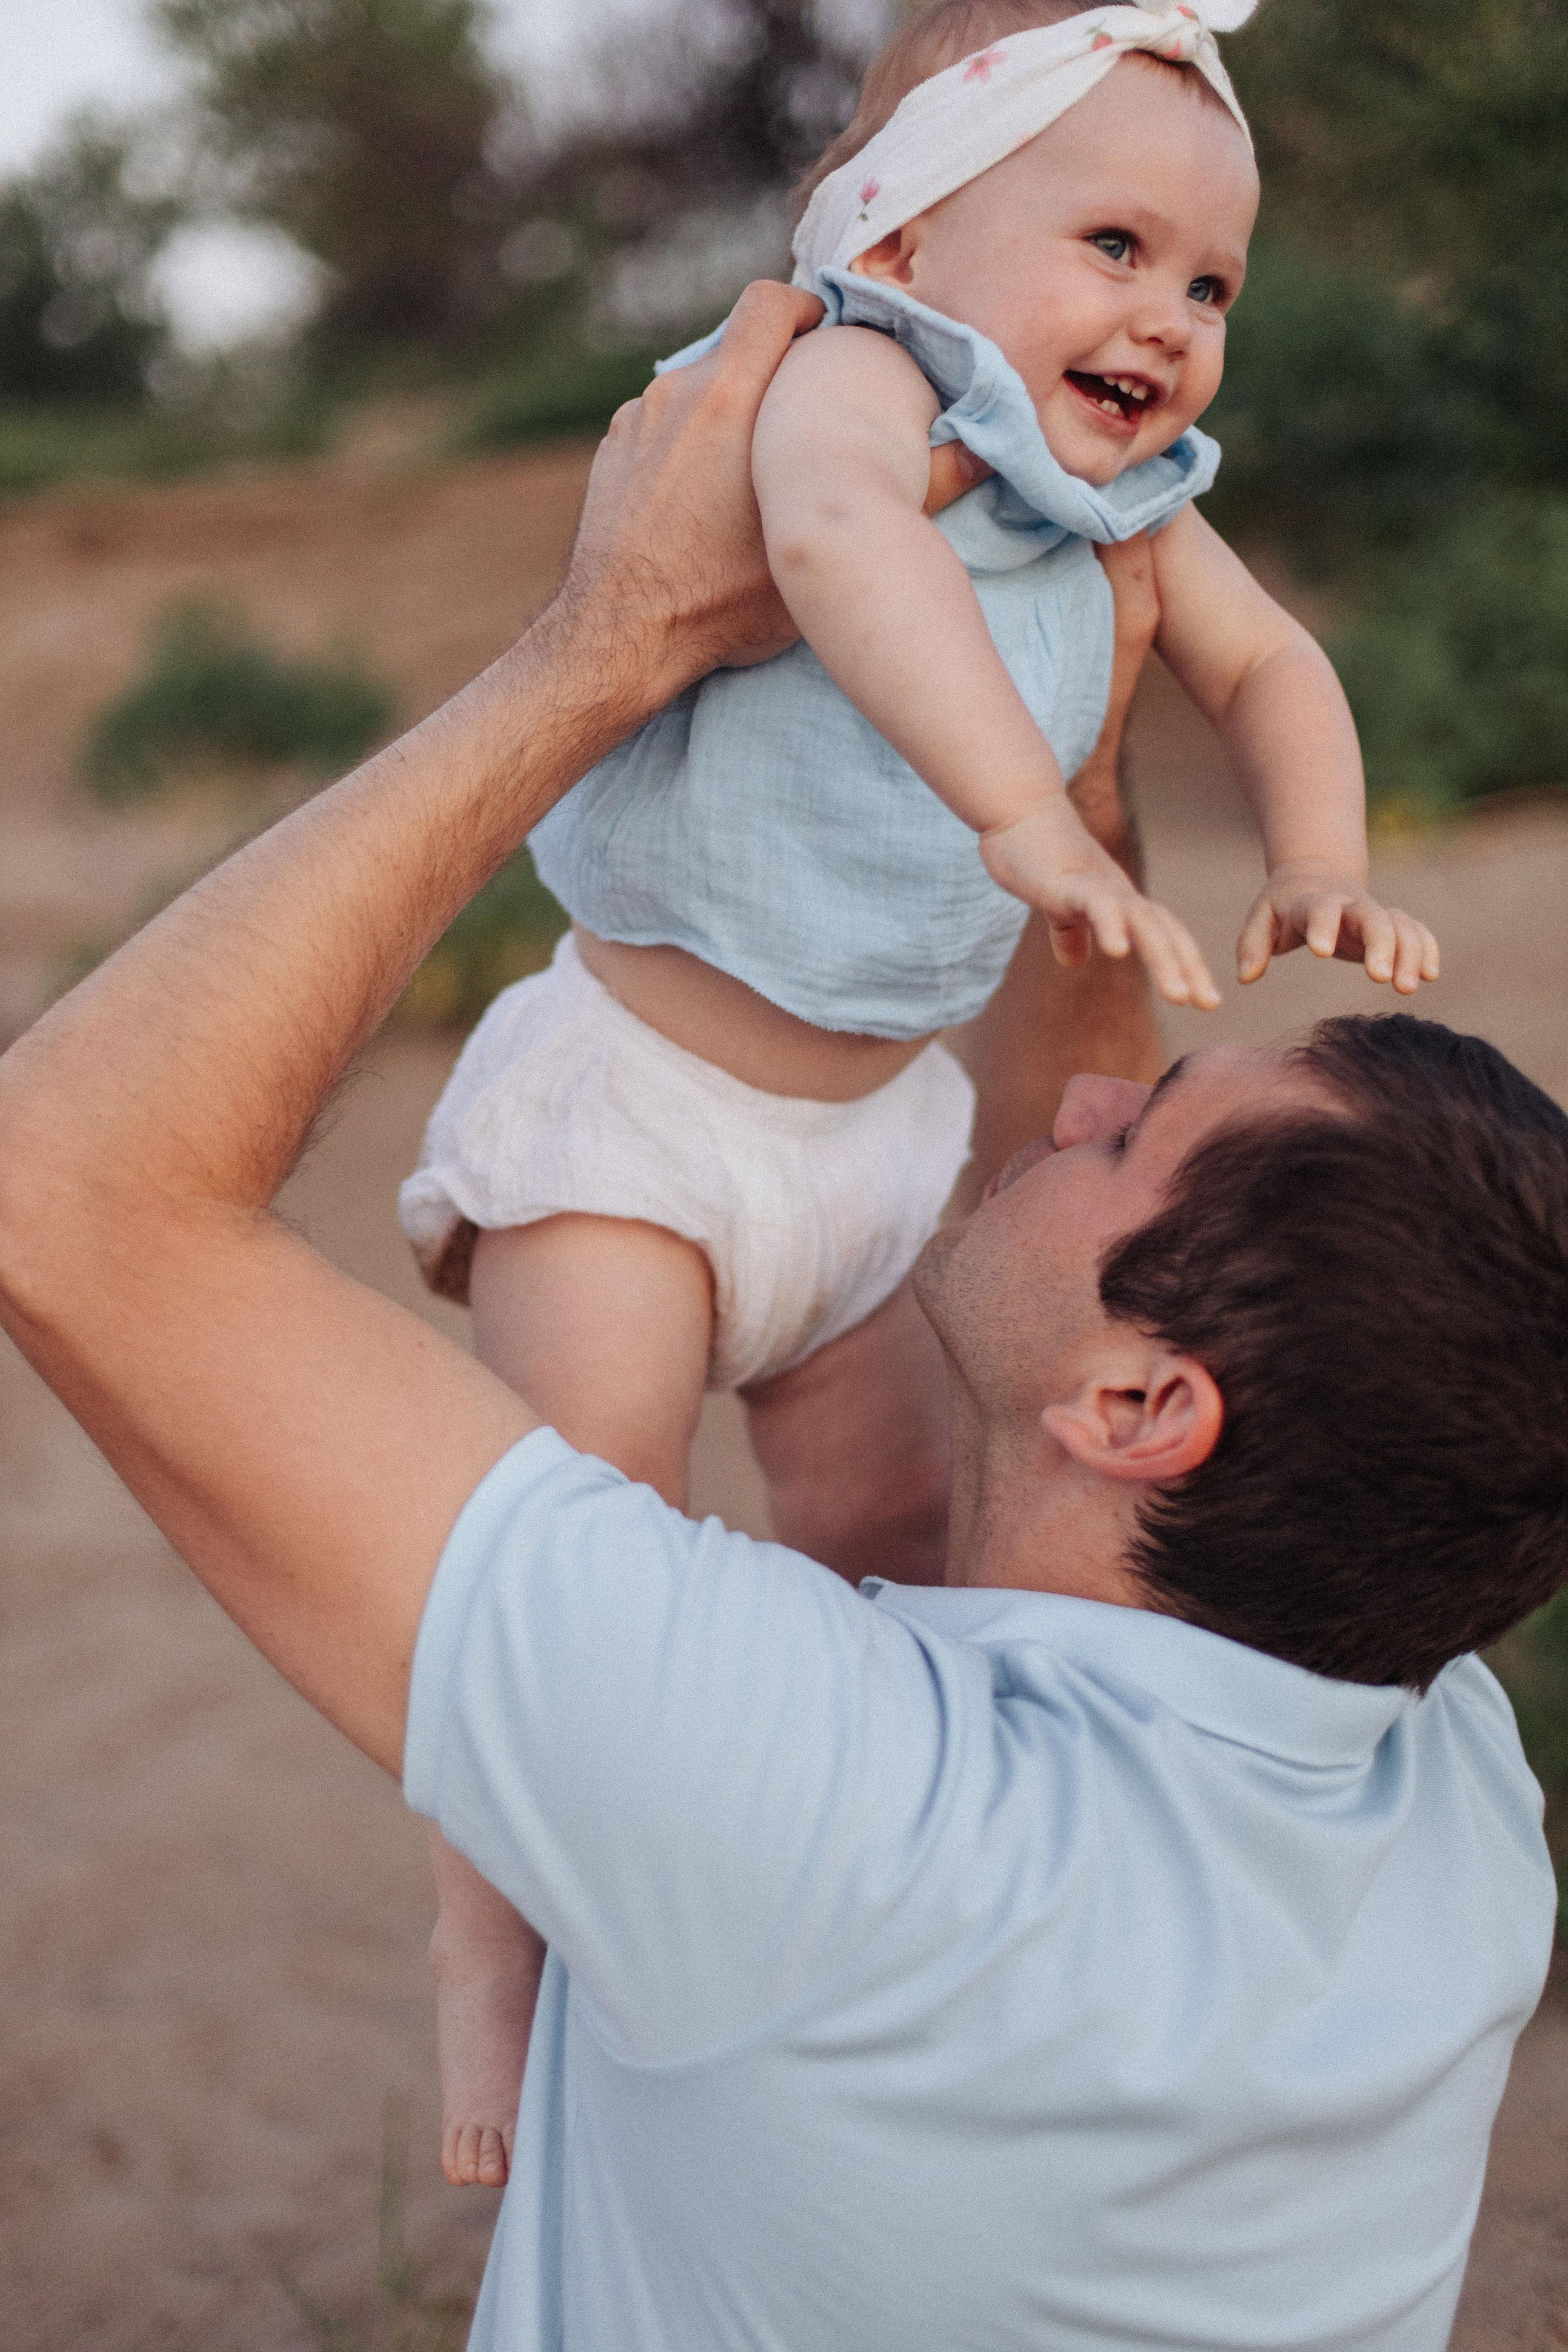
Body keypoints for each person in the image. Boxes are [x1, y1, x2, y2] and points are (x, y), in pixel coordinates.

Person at [0, 282, 1562, 2352]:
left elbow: (66, 1185)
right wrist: (1059, 739)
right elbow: (1102, 1285)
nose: (1077, 1104)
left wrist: (606, 647)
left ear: (1141, 1409)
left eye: (1136, 1137)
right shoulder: (1445, 1799)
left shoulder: (830, 1823)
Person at [399, 0, 1445, 2182]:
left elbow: (1272, 659)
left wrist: (1322, 852)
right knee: (574, 1587)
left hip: (873, 1151)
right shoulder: (846, 385)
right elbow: (848, 552)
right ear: (899, 234)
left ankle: (875, 1921)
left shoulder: (1130, 499)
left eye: (1211, 282)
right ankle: (490, 1963)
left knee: (898, 1543)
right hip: (642, 1125)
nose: (1167, 319)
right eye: (1115, 246)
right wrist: (1027, 817)